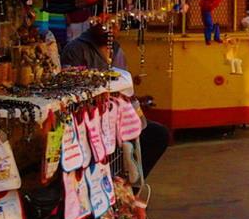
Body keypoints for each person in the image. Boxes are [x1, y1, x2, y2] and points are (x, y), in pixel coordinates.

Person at [60, 21, 168, 178]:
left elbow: (125, 89)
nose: (111, 29)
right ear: (94, 23)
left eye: (114, 25)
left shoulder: (116, 49)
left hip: (121, 115)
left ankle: (129, 186)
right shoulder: (76, 49)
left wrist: (137, 113)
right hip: (93, 118)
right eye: (106, 25)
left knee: (158, 134)